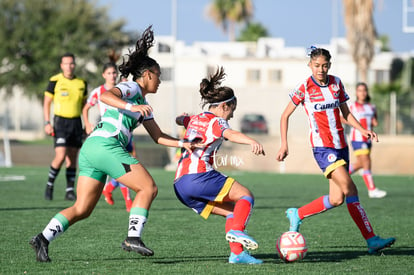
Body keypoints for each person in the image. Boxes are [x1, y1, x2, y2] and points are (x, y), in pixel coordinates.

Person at [29, 26, 199, 262]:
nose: (160, 80)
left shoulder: (143, 102)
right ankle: (133, 237)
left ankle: (42, 239)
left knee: (82, 209)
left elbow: (157, 135)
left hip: (92, 149)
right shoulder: (132, 88)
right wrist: (131, 107)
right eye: (159, 75)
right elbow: (106, 96)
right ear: (148, 74)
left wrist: (184, 143)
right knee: (148, 188)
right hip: (106, 146)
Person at [276, 47, 395, 254]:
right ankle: (371, 239)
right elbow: (284, 115)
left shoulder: (337, 83)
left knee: (336, 199)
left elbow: (346, 113)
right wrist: (284, 144)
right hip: (323, 148)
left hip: (342, 146)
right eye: (316, 66)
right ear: (310, 65)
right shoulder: (304, 87)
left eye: (324, 65)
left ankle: (297, 214)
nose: (320, 69)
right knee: (351, 189)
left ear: (329, 65)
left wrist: (363, 130)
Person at [174, 67, 265, 264]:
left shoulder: (196, 118)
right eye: (232, 110)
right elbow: (230, 134)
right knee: (246, 196)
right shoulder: (217, 122)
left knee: (233, 211)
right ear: (225, 106)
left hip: (180, 186)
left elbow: (180, 119)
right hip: (198, 177)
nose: (231, 116)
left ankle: (237, 254)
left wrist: (181, 118)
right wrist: (251, 141)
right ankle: (237, 231)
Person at [81, 62, 134, 211]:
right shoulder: (98, 92)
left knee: (123, 165)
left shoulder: (122, 89)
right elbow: (85, 108)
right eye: (109, 73)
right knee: (123, 165)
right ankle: (127, 200)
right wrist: (87, 124)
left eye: (114, 73)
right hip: (107, 133)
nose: (112, 76)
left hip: (123, 131)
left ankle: (110, 188)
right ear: (104, 75)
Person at [43, 52, 88, 201]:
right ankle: (50, 185)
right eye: (66, 64)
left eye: (71, 63)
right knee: (61, 155)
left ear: (75, 65)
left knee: (72, 157)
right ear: (61, 66)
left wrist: (86, 124)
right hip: (60, 122)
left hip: (76, 123)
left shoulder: (82, 83)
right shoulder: (54, 81)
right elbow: (47, 103)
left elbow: (84, 107)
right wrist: (47, 122)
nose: (69, 66)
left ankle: (69, 190)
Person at [347, 82, 386, 198]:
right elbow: (343, 117)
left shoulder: (371, 107)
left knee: (362, 163)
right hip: (357, 138)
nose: (362, 93)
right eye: (360, 90)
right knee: (366, 162)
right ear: (356, 93)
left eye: (364, 90)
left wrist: (374, 122)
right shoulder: (352, 106)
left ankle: (341, 175)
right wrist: (355, 124)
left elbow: (374, 121)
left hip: (368, 140)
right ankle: (372, 190)